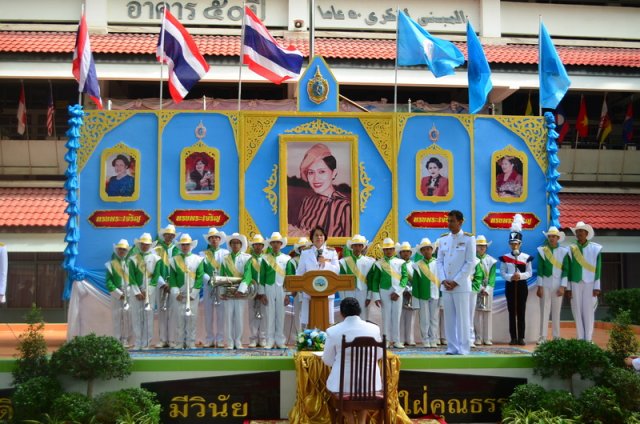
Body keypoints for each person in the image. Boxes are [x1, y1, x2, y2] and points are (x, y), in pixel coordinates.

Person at [322, 297, 383, 424]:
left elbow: (327, 360)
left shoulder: (333, 331)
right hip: (370, 385)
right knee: (363, 394)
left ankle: (350, 420)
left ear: (341, 313)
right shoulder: (374, 329)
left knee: (340, 394)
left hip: (342, 385)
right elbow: (378, 355)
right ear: (359, 311)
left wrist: (340, 363)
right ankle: (360, 422)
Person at [436, 210, 476, 355]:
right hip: (446, 285)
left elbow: (470, 262)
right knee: (449, 318)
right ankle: (451, 347)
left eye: (452, 221)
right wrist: (443, 279)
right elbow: (439, 261)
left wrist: (456, 281)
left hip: (461, 285)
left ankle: (464, 348)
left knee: (462, 318)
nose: (449, 224)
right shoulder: (443, 239)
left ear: (460, 222)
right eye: (448, 221)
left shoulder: (468, 239)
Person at [294, 143, 351, 237]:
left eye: (322, 171)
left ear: (333, 173)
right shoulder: (307, 202)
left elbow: (349, 246)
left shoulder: (344, 206)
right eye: (311, 172)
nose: (316, 179)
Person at [296, 226, 340, 328]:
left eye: (321, 235)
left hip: (327, 292)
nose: (319, 237)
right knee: (308, 321)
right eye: (316, 235)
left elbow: (337, 270)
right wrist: (299, 286)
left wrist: (325, 264)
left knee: (328, 322)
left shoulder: (332, 252)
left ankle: (326, 342)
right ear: (312, 238)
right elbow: (300, 272)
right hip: (309, 292)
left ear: (324, 237)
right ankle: (310, 340)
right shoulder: (305, 252)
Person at [500, 214, 533, 346]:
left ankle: (521, 337)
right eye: (512, 244)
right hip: (510, 285)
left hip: (522, 286)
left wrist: (520, 276)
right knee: (511, 311)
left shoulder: (526, 257)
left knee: (521, 311)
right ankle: (513, 337)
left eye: (516, 244)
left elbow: (529, 273)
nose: (514, 246)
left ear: (520, 244)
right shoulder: (504, 257)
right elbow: (502, 272)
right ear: (509, 244)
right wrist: (509, 277)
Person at [370, 238, 409, 349]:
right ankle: (386, 340)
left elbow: (404, 277)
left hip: (398, 292)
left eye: (390, 249)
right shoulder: (378, 264)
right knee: (386, 316)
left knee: (397, 316)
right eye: (386, 249)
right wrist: (376, 296)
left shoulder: (401, 262)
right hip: (384, 291)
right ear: (383, 250)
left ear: (394, 250)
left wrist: (398, 292)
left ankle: (396, 340)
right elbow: (375, 280)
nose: (388, 251)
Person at [567, 221, 602, 342]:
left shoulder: (595, 248)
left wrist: (597, 286)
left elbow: (598, 268)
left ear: (586, 233)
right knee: (577, 310)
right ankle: (580, 337)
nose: (579, 233)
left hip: (590, 283)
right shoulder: (570, 248)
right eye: (577, 231)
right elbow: (567, 269)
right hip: (575, 282)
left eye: (581, 231)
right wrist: (568, 287)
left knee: (588, 311)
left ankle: (588, 338)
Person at [259, 232, 295, 349]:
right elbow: (262, 276)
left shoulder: (287, 259)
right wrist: (262, 293)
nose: (275, 245)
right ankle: (269, 341)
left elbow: (289, 277)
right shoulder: (265, 259)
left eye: (277, 243)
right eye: (273, 242)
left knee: (281, 315)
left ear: (281, 244)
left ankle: (280, 340)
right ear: (270, 244)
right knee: (269, 315)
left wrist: (288, 294)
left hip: (282, 289)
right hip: (269, 288)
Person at [128, 233, 163, 350]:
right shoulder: (132, 259)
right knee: (136, 317)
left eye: (147, 244)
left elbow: (156, 276)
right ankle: (138, 342)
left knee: (148, 316)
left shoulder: (156, 259)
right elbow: (131, 277)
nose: (144, 246)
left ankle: (147, 343)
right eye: (142, 244)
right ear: (139, 244)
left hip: (150, 292)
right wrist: (137, 291)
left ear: (150, 245)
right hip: (136, 293)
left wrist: (148, 291)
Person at [536, 226, 570, 344]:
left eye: (554, 237)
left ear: (558, 238)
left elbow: (566, 270)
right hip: (545, 282)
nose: (551, 239)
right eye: (550, 236)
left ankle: (556, 337)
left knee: (556, 311)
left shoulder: (564, 251)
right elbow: (540, 269)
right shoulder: (542, 250)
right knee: (544, 311)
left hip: (558, 283)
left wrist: (563, 286)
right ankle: (542, 337)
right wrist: (539, 287)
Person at [169, 234, 204, 349]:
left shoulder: (198, 260)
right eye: (183, 245)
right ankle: (179, 342)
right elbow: (172, 278)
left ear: (191, 246)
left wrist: (194, 293)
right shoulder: (174, 261)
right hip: (179, 294)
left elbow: (200, 277)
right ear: (180, 246)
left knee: (191, 318)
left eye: (187, 245)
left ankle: (191, 342)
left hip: (192, 294)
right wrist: (176, 293)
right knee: (179, 318)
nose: (185, 247)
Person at [219, 233, 252, 350]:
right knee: (227, 317)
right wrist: (221, 292)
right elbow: (221, 276)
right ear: (230, 245)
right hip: (228, 292)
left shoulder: (247, 258)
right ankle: (229, 342)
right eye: (233, 243)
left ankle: (238, 341)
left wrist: (241, 290)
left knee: (239, 317)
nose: (235, 245)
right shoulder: (225, 259)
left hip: (240, 293)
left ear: (241, 244)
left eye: (237, 243)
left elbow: (248, 275)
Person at [200, 227, 228, 348]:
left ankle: (221, 339)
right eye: (211, 238)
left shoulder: (226, 254)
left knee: (221, 314)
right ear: (209, 240)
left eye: (216, 238)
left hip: (221, 286)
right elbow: (201, 271)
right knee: (208, 314)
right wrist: (211, 280)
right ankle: (209, 338)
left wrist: (220, 281)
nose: (214, 240)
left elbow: (228, 270)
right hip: (209, 287)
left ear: (220, 239)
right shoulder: (202, 254)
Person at [154, 224, 180, 348]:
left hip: (174, 285)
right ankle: (163, 339)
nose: (169, 236)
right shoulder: (156, 249)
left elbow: (180, 269)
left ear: (174, 236)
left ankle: (172, 339)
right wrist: (163, 283)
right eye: (167, 234)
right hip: (160, 285)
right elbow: (153, 268)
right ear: (163, 235)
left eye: (172, 235)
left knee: (174, 312)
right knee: (162, 311)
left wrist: (173, 284)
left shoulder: (178, 249)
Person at [339, 234, 375, 321]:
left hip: (363, 291)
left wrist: (369, 296)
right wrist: (342, 297)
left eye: (359, 245)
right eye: (355, 245)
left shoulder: (369, 262)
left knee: (363, 315)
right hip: (348, 292)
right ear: (352, 247)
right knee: (348, 315)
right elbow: (341, 281)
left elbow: (370, 280)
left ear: (363, 247)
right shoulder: (344, 262)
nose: (357, 248)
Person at [412, 238, 440, 348]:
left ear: (432, 250)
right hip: (423, 295)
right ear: (422, 252)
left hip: (436, 294)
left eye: (428, 249)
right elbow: (415, 284)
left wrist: (441, 297)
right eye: (424, 249)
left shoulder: (438, 263)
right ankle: (425, 339)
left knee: (434, 318)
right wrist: (415, 300)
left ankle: (434, 339)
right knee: (424, 319)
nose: (426, 251)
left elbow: (441, 280)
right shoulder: (417, 265)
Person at [105, 239, 132, 347]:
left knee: (127, 317)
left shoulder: (131, 264)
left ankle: (125, 339)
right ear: (117, 250)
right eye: (120, 249)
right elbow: (108, 281)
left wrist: (128, 292)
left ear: (127, 251)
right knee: (117, 317)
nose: (122, 251)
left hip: (129, 294)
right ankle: (117, 339)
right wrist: (117, 293)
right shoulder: (110, 264)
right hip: (116, 295)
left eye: (124, 250)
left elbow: (135, 279)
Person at [473, 235, 497, 346]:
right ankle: (478, 337)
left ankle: (487, 338)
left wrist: (487, 289)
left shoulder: (491, 260)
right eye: (479, 246)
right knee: (477, 314)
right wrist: (480, 288)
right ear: (476, 247)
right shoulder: (472, 260)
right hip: (476, 288)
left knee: (487, 313)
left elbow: (492, 277)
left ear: (486, 247)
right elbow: (472, 276)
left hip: (488, 290)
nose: (482, 248)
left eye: (483, 246)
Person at [247, 234, 267, 348]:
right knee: (252, 315)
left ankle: (263, 338)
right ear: (253, 246)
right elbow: (247, 275)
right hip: (252, 291)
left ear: (263, 246)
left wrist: (262, 291)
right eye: (256, 245)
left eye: (260, 245)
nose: (258, 247)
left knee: (264, 315)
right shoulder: (249, 260)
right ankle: (253, 338)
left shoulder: (267, 259)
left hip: (264, 292)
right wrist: (253, 291)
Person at [290, 237, 311, 336]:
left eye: (305, 248)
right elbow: (291, 276)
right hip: (298, 291)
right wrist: (293, 289)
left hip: (310, 291)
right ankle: (299, 337)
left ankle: (309, 335)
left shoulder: (312, 260)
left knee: (309, 313)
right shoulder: (293, 261)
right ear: (299, 249)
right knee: (298, 314)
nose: (303, 250)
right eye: (302, 248)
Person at [397, 242, 417, 346]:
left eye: (407, 252)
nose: (405, 253)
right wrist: (404, 290)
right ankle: (400, 339)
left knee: (411, 317)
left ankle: (410, 339)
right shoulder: (397, 264)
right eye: (403, 251)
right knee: (400, 317)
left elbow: (417, 281)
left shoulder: (414, 265)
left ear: (410, 253)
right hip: (400, 293)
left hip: (411, 294)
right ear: (400, 253)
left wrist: (410, 290)